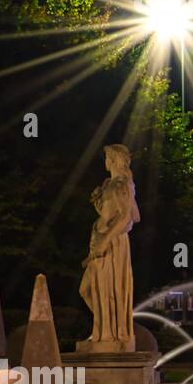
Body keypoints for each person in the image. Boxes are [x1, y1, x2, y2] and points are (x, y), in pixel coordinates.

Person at [79, 144, 141, 345]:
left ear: (113, 160)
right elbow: (135, 216)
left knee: (105, 290)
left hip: (110, 245)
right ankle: (106, 327)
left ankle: (109, 334)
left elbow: (128, 218)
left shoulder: (120, 184)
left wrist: (105, 240)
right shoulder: (112, 184)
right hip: (101, 241)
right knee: (88, 289)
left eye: (107, 157)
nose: (105, 161)